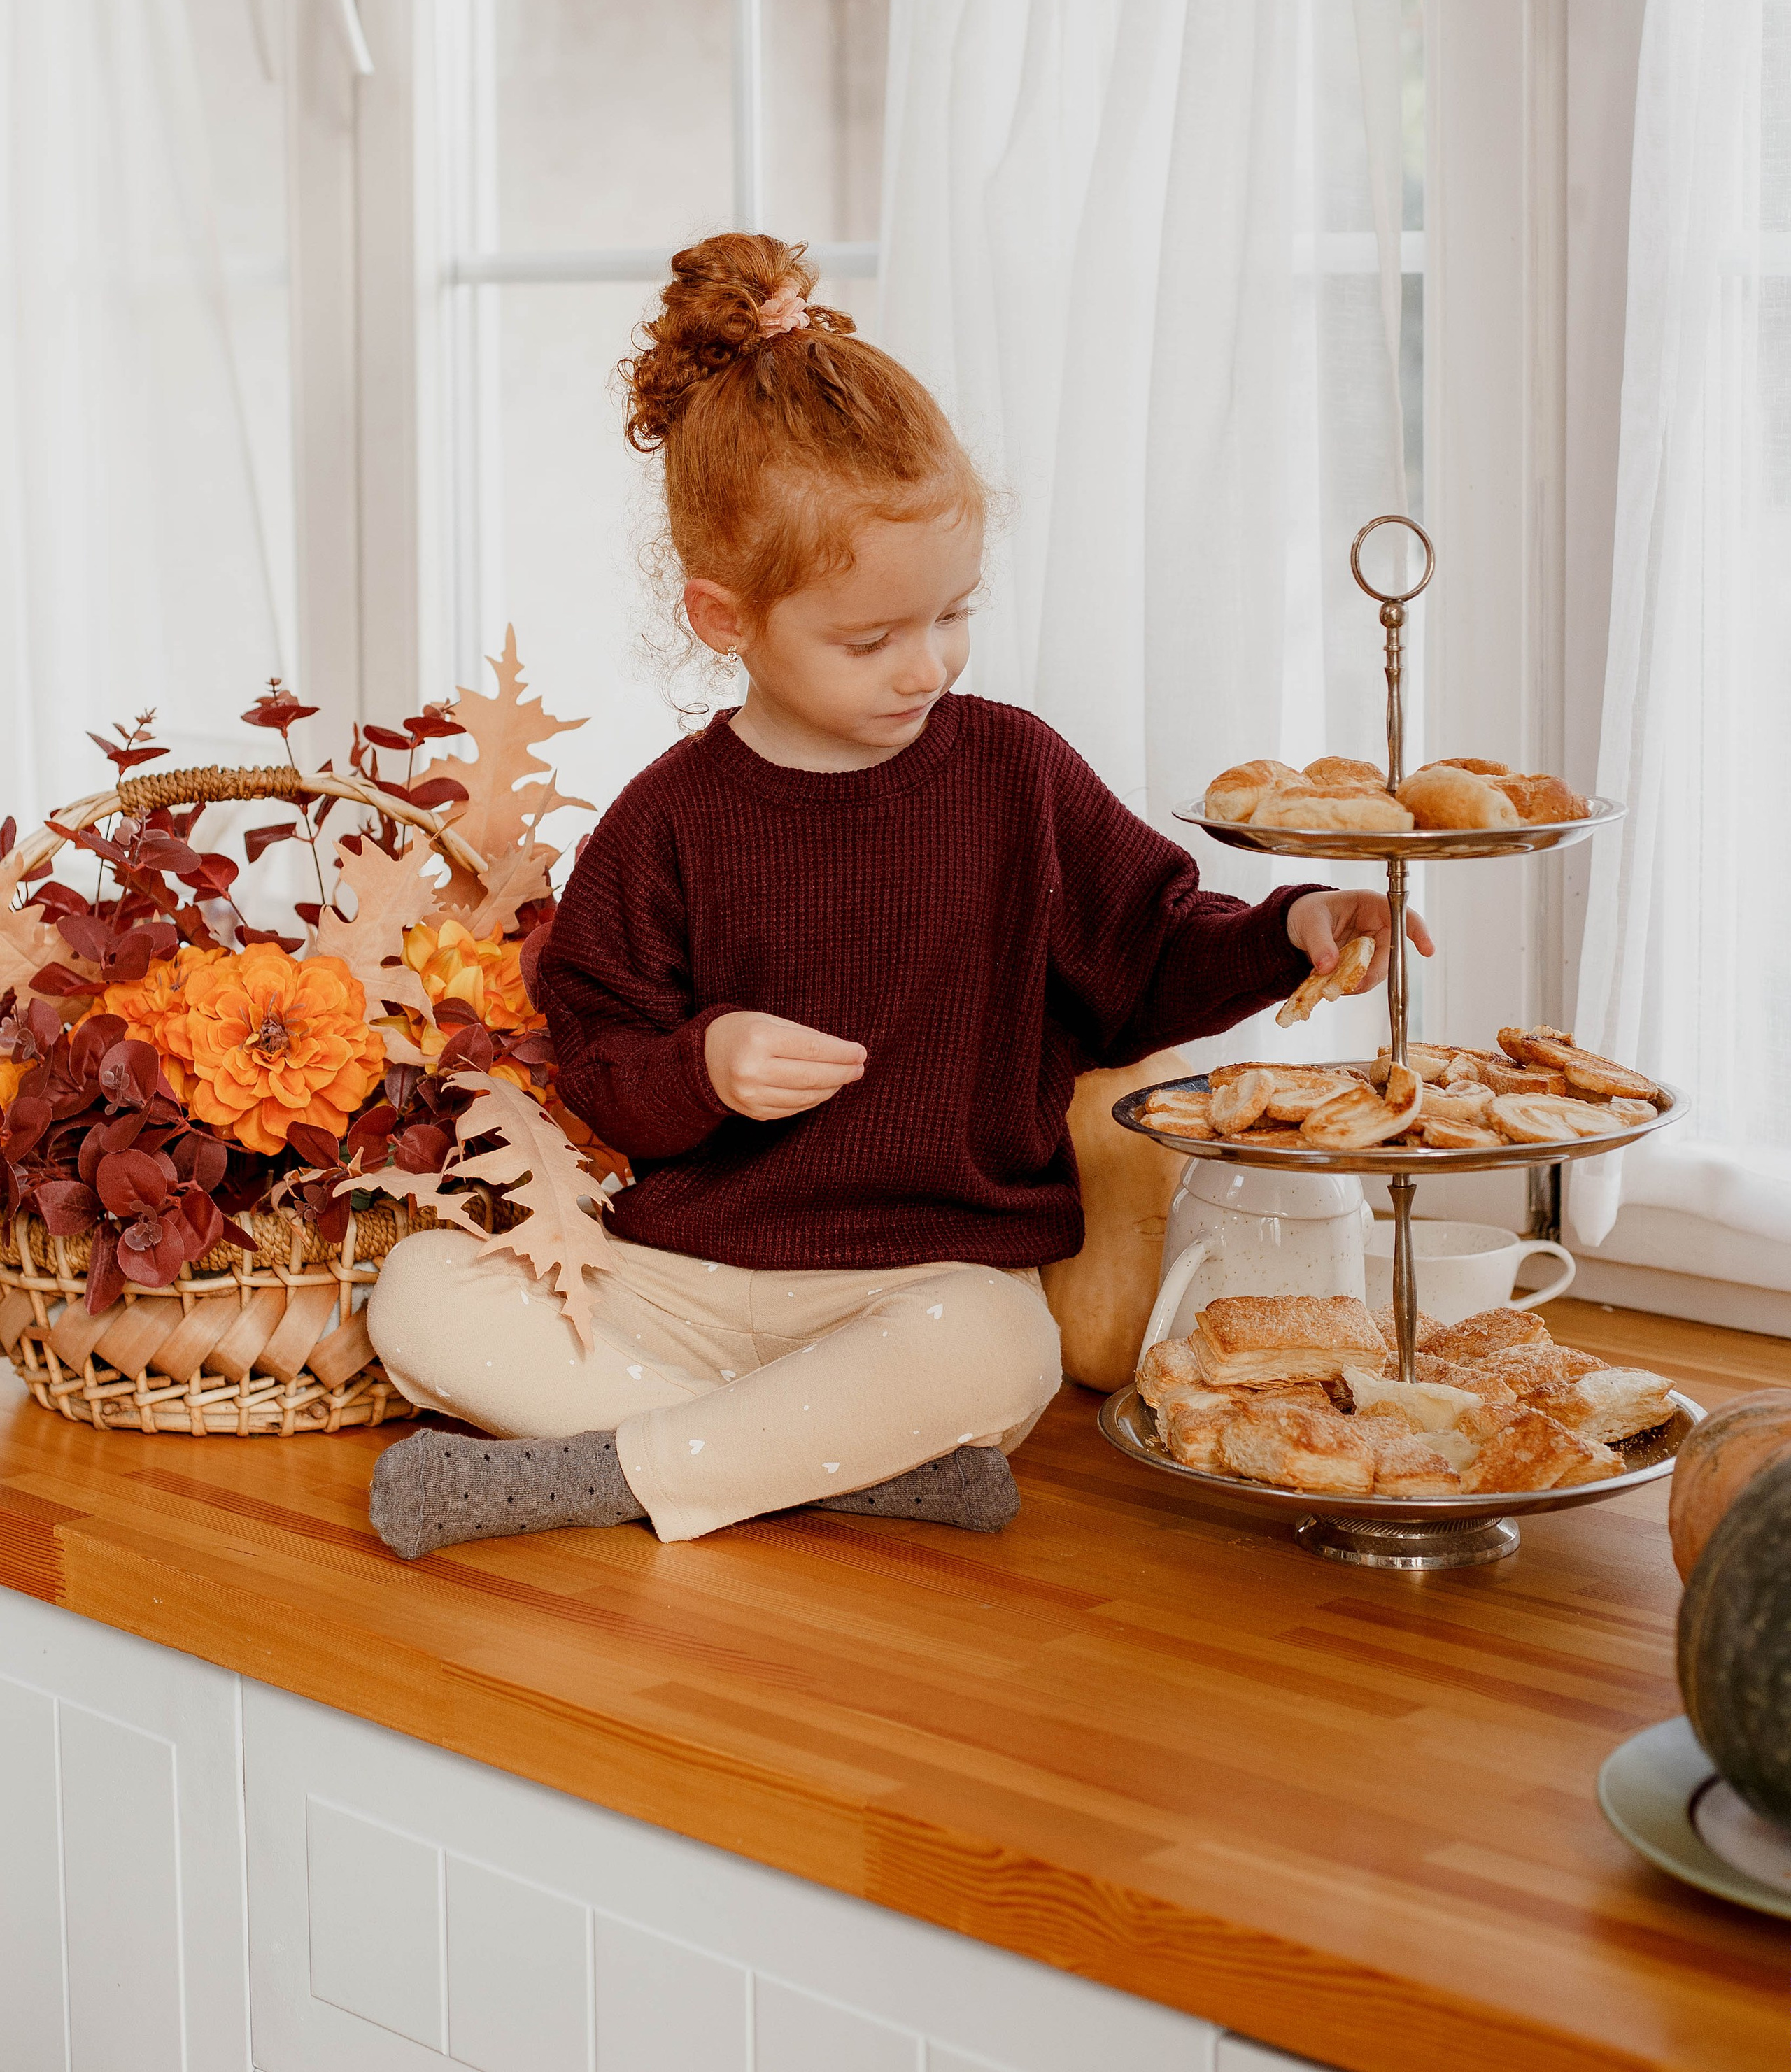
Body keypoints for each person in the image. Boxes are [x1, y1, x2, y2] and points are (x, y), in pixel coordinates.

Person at [365, 234, 1428, 1556]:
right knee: (421, 1295)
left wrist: (1291, 930)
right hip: (680, 1279)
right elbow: (600, 1061)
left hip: (923, 1284)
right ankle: (835, 1462)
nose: (925, 667)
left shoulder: (1014, 774)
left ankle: (611, 1470)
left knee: (1002, 1350)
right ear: (722, 619)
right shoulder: (670, 819)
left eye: (952, 616)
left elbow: (1147, 954)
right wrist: (702, 1066)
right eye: (871, 639)